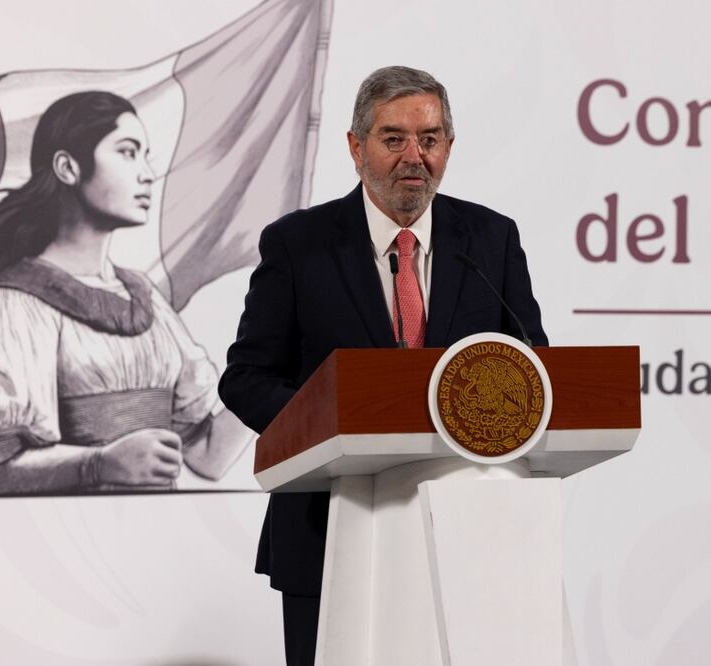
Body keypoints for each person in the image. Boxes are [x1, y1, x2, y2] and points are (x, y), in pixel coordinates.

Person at [218, 66, 549, 666]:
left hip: (468, 532)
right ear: (355, 147)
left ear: (449, 145)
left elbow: (534, 368)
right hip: (328, 526)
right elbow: (245, 378)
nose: (414, 156)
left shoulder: (492, 239)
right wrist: (330, 425)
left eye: (430, 138)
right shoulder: (297, 244)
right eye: (393, 138)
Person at [0, 90, 251, 497]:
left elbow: (207, 453)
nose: (147, 173)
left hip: (155, 539)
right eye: (128, 153)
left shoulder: (143, 298)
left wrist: (287, 370)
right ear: (67, 167)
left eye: (146, 155)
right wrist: (99, 464)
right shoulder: (16, 303)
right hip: (60, 543)